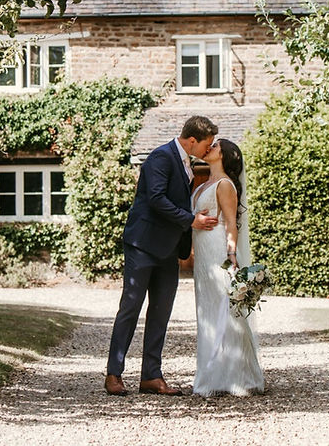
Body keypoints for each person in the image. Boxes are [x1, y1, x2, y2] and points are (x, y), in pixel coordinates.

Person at [104, 115, 220, 397]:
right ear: (192, 140)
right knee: (130, 309)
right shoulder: (160, 157)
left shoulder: (188, 163)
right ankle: (113, 374)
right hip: (143, 246)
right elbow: (156, 200)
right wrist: (191, 220)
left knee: (161, 313)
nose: (209, 148)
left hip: (168, 250)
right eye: (207, 143)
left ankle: (151, 377)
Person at [190, 138, 264, 396]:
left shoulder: (224, 185)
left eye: (216, 146)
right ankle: (213, 373)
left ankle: (236, 376)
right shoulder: (204, 185)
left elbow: (231, 223)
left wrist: (232, 256)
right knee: (208, 312)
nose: (209, 147)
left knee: (226, 311)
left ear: (225, 156)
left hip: (219, 252)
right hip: (203, 256)